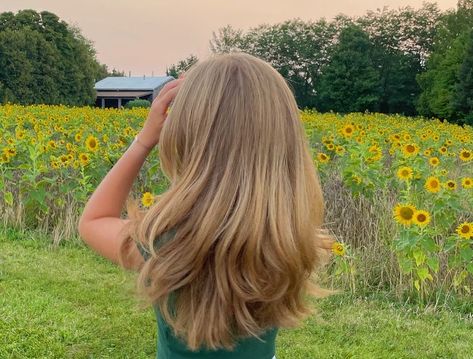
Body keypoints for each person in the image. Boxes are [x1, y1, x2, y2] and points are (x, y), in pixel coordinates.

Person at [78, 52, 335, 359]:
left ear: (183, 137)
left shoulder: (163, 244)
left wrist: (144, 140)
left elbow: (94, 220)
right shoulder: (289, 240)